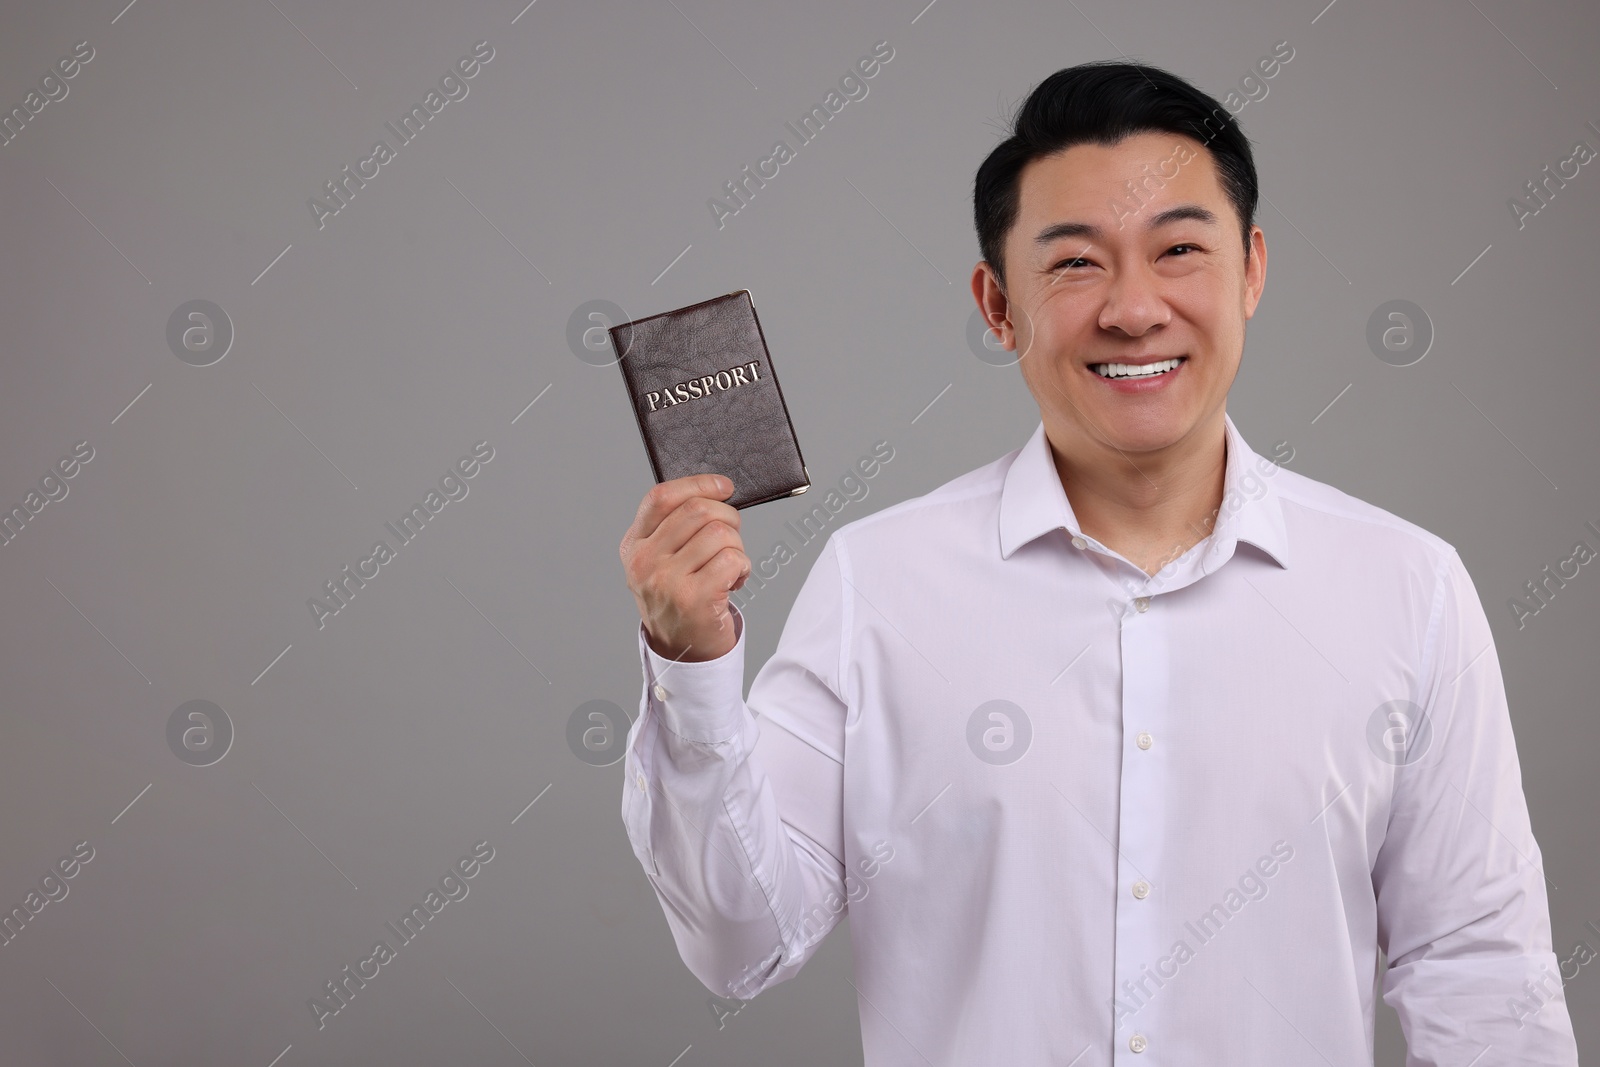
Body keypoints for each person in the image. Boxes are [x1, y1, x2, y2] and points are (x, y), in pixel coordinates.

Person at [615, 60, 1579, 1064]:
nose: (1132, 308)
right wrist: (689, 665)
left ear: (1250, 268)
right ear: (997, 304)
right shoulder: (879, 585)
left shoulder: (1406, 588)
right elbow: (741, 942)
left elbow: (1478, 964)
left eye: (1177, 250)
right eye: (1074, 264)